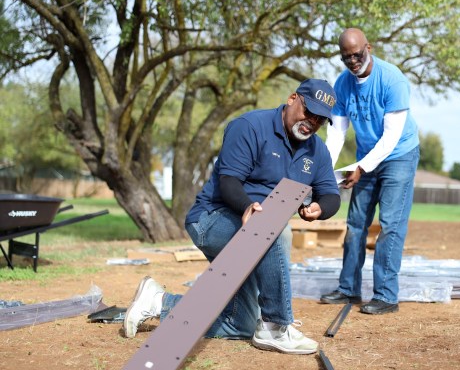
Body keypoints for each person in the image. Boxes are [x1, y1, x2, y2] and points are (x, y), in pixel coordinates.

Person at [123, 79, 341, 355]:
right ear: (292, 99)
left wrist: (320, 209)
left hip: (260, 232)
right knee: (274, 227)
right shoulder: (250, 126)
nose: (312, 121)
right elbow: (229, 182)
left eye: (320, 119)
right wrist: (247, 205)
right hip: (213, 218)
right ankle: (276, 326)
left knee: (241, 323)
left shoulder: (317, 150)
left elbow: (331, 196)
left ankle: (158, 302)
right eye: (309, 112)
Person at [320, 27, 420, 315]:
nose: (352, 61)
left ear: (369, 48)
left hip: (399, 155)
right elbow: (337, 134)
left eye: (357, 54)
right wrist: (325, 171)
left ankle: (386, 295)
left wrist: (361, 167)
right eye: (345, 57)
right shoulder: (342, 85)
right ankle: (348, 289)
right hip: (366, 158)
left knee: (390, 225)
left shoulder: (392, 80)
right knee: (355, 225)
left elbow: (390, 138)